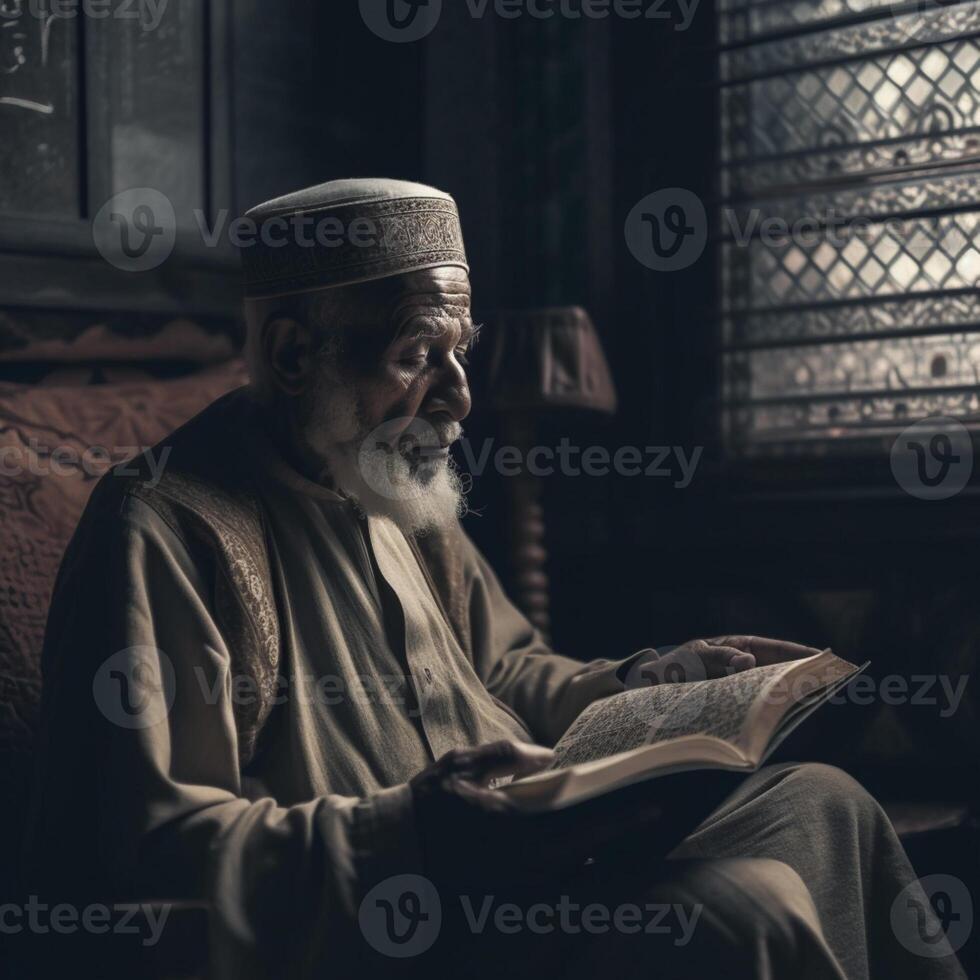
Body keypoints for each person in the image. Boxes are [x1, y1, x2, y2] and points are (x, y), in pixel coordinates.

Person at [25, 179, 966, 979]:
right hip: (399, 918)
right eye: (413, 356)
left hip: (541, 852)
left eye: (459, 351)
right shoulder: (168, 525)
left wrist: (648, 685)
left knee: (826, 805)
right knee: (743, 908)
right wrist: (416, 833)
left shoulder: (385, 475)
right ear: (291, 354)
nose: (459, 395)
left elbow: (502, 673)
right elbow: (152, 858)